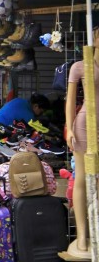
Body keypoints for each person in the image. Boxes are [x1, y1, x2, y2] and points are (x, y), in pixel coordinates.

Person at [64, 27, 99, 258]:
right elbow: (69, 100)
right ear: (95, 39)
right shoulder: (80, 66)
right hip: (85, 125)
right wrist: (68, 128)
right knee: (82, 180)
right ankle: (83, 235)